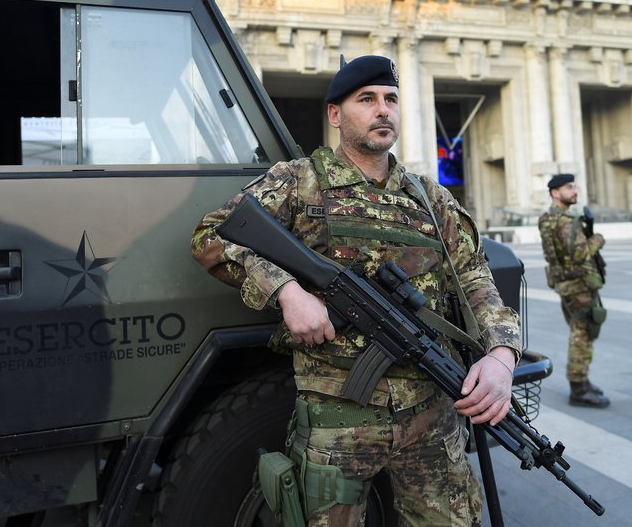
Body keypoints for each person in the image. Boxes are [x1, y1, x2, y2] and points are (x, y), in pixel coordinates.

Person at [191, 55, 522, 526]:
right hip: (336, 420)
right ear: (335, 114)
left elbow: (475, 278)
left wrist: (501, 356)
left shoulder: (430, 197)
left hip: (432, 412)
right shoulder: (299, 181)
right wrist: (286, 291)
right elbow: (212, 236)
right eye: (366, 100)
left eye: (390, 99)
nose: (382, 110)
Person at [537, 174, 611, 408]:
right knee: (582, 334)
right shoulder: (567, 221)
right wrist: (598, 238)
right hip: (579, 285)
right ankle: (579, 388)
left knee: (579, 331)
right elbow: (579, 254)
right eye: (569, 187)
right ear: (555, 193)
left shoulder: (547, 218)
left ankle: (584, 382)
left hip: (565, 284)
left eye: (575, 186)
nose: (575, 191)